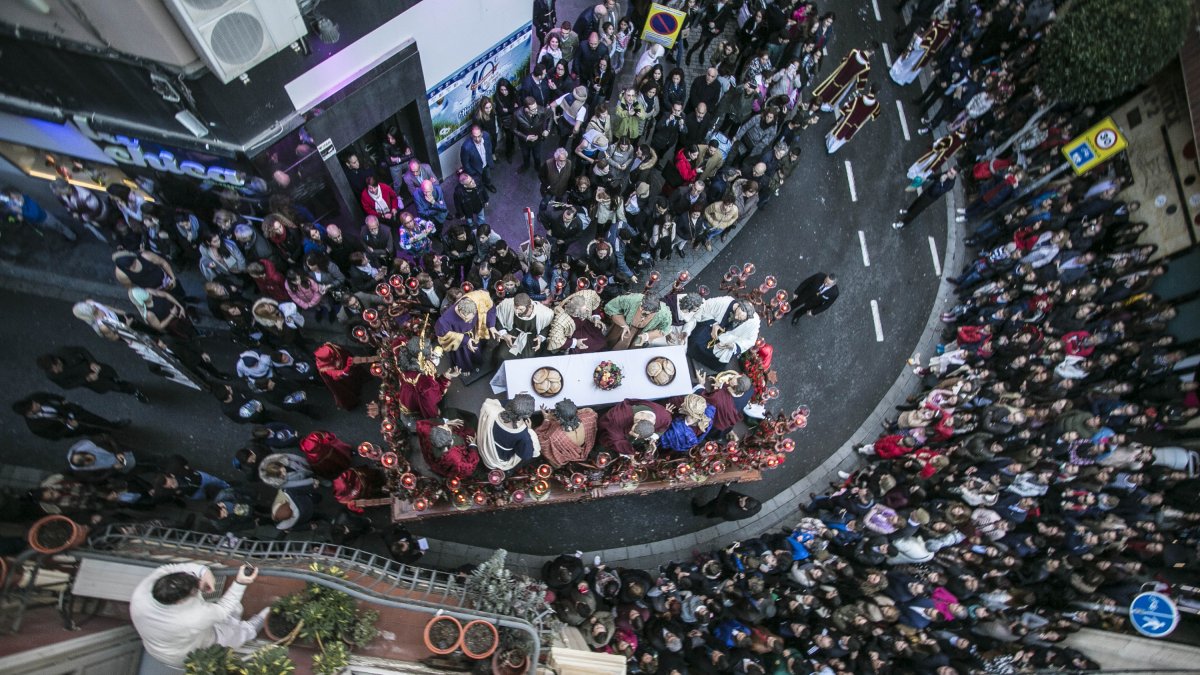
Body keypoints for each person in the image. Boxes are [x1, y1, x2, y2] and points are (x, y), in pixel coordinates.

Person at [130, 562, 267, 668]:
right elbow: (223, 610)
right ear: (180, 601)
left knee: (226, 614)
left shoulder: (144, 591)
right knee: (227, 637)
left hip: (159, 643)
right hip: (183, 653)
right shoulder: (190, 619)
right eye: (195, 590)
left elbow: (171, 567)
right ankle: (249, 630)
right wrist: (240, 583)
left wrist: (203, 571)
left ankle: (233, 620)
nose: (200, 585)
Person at [37, 346, 148, 402]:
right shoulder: (51, 375)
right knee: (114, 386)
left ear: (57, 361)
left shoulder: (63, 352)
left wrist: (92, 362)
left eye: (56, 367)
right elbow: (67, 385)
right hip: (93, 381)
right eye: (53, 370)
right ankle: (134, 391)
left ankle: (129, 388)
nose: (57, 371)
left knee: (113, 379)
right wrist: (86, 379)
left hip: (97, 369)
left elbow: (81, 350)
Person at [684, 297, 760, 371]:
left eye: (740, 318)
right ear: (738, 306)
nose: (736, 317)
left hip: (728, 339)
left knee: (720, 359)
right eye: (737, 314)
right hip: (710, 327)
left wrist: (733, 346)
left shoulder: (753, 322)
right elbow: (705, 307)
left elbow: (750, 340)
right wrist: (714, 324)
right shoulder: (724, 302)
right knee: (696, 341)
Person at [13, 392, 130, 440]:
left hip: (70, 411)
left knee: (94, 418)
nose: (37, 403)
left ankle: (113, 425)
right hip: (69, 428)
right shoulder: (36, 427)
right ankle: (106, 434)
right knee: (89, 430)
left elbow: (48, 395)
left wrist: (62, 400)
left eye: (34, 402)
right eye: (34, 406)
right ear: (29, 413)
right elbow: (55, 437)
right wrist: (69, 427)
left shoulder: (35, 397)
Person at [476, 394, 541, 472]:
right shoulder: (523, 435)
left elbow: (491, 402)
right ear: (526, 416)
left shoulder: (492, 410)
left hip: (486, 445)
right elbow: (527, 455)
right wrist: (530, 431)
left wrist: (517, 403)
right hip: (500, 458)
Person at [435, 292, 495, 375]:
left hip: (474, 332)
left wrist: (491, 325)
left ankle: (477, 361)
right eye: (464, 318)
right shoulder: (445, 320)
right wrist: (465, 340)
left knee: (477, 350)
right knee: (463, 356)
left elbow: (490, 306)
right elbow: (442, 335)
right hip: (460, 340)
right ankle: (464, 369)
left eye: (471, 318)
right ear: (459, 310)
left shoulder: (478, 298)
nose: (467, 321)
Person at [490, 292, 554, 362]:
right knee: (502, 355)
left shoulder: (544, 313)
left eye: (520, 309)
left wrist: (540, 337)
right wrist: (504, 334)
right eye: (515, 308)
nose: (516, 312)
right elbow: (496, 317)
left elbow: (548, 325)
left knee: (527, 360)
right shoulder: (507, 304)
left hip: (532, 338)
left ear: (530, 307)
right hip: (513, 334)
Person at [597, 398, 672, 456]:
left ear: (654, 422)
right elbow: (615, 439)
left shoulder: (665, 417)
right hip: (610, 427)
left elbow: (663, 427)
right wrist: (629, 452)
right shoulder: (618, 417)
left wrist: (653, 437)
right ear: (637, 421)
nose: (631, 432)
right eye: (632, 432)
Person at [535, 399, 599, 468]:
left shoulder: (555, 434)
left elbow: (542, 440)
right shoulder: (589, 418)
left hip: (569, 453)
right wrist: (571, 414)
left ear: (559, 418)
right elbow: (590, 410)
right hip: (585, 447)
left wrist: (547, 419)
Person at [893, 168, 959, 230]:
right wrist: (927, 177)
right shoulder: (946, 173)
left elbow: (937, 191)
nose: (948, 173)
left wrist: (941, 181)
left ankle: (903, 223)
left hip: (930, 198)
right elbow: (937, 176)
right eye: (949, 170)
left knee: (917, 210)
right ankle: (908, 210)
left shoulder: (950, 185)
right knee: (917, 201)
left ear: (955, 175)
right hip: (928, 191)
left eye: (951, 173)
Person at [604, 292, 673, 349]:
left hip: (642, 332)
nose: (641, 310)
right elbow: (611, 306)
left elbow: (665, 329)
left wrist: (646, 336)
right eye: (641, 307)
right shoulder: (632, 299)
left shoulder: (664, 314)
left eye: (646, 313)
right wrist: (623, 324)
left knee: (634, 348)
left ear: (654, 312)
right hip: (624, 324)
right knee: (612, 343)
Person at [825, 85, 881, 154]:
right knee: (845, 136)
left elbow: (848, 106)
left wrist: (844, 111)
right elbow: (874, 115)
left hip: (849, 119)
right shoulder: (876, 105)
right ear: (877, 92)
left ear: (870, 88)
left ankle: (829, 144)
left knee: (839, 131)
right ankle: (831, 150)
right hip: (857, 123)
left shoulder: (859, 98)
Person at [515, 96, 552, 172]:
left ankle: (537, 167)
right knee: (525, 155)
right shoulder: (517, 114)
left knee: (537, 156)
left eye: (536, 107)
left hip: (537, 140)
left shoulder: (541, 110)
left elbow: (550, 115)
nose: (536, 110)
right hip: (524, 142)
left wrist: (547, 130)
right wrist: (526, 137)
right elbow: (513, 129)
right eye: (533, 109)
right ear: (526, 109)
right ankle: (526, 165)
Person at [690, 484, 762, 520]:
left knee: (711, 507)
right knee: (716, 514)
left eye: (741, 502)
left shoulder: (729, 509)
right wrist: (731, 492)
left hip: (724, 511)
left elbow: (718, 501)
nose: (740, 498)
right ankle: (710, 516)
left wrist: (725, 487)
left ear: (744, 509)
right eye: (743, 498)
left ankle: (697, 511)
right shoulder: (757, 505)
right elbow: (740, 497)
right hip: (727, 512)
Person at [459, 125, 497, 193]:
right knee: (477, 182)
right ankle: (480, 190)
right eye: (474, 137)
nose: (477, 139)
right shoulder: (466, 147)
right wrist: (472, 172)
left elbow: (489, 147)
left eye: (479, 136)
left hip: (486, 164)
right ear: (471, 135)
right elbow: (465, 162)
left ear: (482, 133)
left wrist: (489, 159)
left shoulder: (486, 136)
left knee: (488, 177)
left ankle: (488, 184)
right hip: (475, 168)